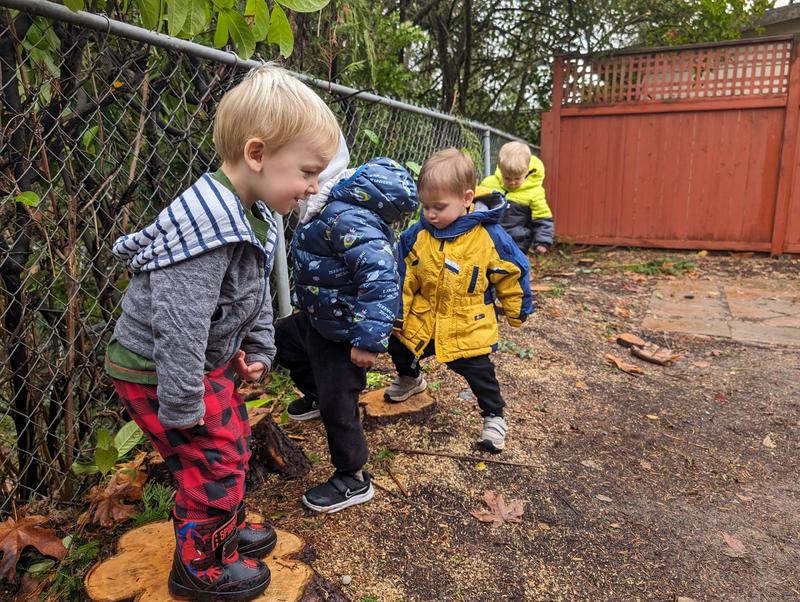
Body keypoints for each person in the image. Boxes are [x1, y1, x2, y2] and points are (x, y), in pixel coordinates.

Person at [104, 65, 340, 601]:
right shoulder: (206, 229)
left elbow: (253, 289)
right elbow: (180, 324)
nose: (312, 187)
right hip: (158, 369)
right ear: (257, 155)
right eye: (306, 171)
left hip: (193, 365)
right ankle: (198, 563)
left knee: (231, 440)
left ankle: (224, 530)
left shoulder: (254, 213)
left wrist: (258, 346)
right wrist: (186, 404)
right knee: (211, 458)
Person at [274, 140, 418, 513]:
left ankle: (352, 477)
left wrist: (368, 341)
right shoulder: (327, 210)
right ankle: (316, 392)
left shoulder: (346, 217)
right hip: (318, 317)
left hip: (343, 332)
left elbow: (382, 279)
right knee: (284, 343)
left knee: (341, 406)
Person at [385, 148, 533, 452]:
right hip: (426, 319)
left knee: (480, 372)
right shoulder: (418, 236)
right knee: (399, 343)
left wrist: (517, 310)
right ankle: (411, 378)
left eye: (439, 207)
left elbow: (511, 271)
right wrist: (397, 314)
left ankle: (494, 417)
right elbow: (404, 276)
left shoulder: (488, 236)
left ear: (467, 199)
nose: (430, 214)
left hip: (468, 321)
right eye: (425, 206)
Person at [480, 141, 554, 254]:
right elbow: (475, 204)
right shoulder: (489, 184)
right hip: (489, 241)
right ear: (500, 169)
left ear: (527, 171)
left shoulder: (534, 192)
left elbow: (542, 218)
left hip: (517, 244)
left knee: (513, 270)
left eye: (517, 178)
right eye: (507, 178)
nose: (512, 183)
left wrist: (542, 241)